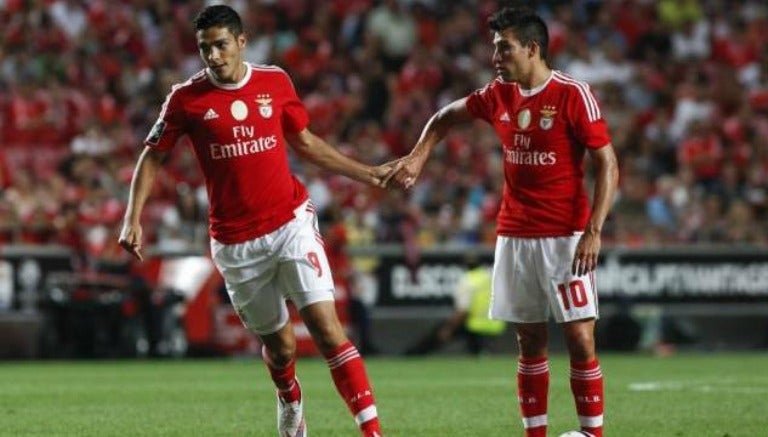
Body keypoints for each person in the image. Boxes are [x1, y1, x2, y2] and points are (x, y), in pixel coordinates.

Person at [118, 5, 393, 437]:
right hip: (235, 242)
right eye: (205, 48)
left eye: (221, 45)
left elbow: (304, 142)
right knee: (281, 349)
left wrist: (367, 172)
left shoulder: (275, 81)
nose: (213, 56)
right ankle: (289, 396)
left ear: (242, 42)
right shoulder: (185, 99)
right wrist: (131, 217)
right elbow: (152, 156)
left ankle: (372, 431)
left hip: (290, 223)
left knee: (327, 329)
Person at [389, 7, 618, 437]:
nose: (495, 56)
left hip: (564, 237)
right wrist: (417, 158)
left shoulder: (573, 94)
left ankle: (592, 434)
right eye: (494, 47)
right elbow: (443, 118)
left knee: (581, 340)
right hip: (513, 235)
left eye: (503, 47)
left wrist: (593, 230)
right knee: (528, 342)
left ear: (532, 48)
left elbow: (608, 163)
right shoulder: (497, 95)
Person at [404, 253, 505, 356]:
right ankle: (482, 352)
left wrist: (448, 329)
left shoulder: (468, 280)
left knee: (441, 332)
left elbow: (463, 311)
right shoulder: (489, 277)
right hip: (495, 326)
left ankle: (413, 354)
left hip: (475, 326)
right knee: (476, 349)